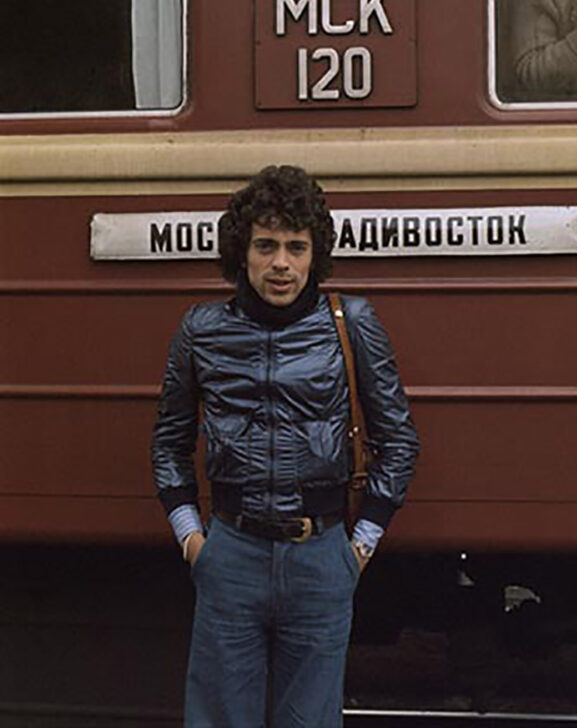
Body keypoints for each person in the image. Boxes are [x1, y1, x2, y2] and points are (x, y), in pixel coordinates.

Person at [151, 164, 420, 727]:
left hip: (321, 557)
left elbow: (398, 440)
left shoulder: (352, 323)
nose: (280, 263)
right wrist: (192, 540)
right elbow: (169, 443)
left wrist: (360, 546)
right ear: (241, 252)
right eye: (266, 245)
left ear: (314, 254)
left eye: (296, 247)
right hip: (230, 554)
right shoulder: (201, 330)